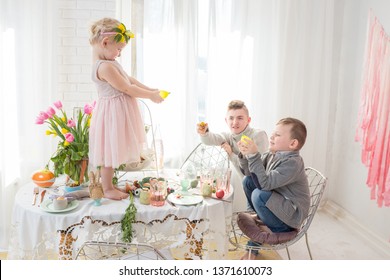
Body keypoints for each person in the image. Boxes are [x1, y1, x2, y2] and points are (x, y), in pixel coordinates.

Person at [88, 18, 164, 200]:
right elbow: (126, 88)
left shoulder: (110, 62)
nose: (119, 54)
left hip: (117, 112)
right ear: (105, 43)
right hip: (111, 115)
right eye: (119, 49)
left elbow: (129, 80)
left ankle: (110, 185)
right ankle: (106, 188)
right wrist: (150, 96)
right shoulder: (104, 66)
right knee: (108, 151)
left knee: (114, 148)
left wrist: (150, 89)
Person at [237, 117, 310, 260]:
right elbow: (250, 174)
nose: (271, 136)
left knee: (259, 194)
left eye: (277, 135)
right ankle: (260, 222)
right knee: (248, 181)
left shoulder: (292, 163)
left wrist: (253, 155)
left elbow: (264, 185)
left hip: (289, 217)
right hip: (277, 206)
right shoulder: (273, 155)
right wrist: (245, 155)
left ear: (293, 143)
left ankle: (272, 229)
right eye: (273, 133)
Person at [197, 100, 268, 175]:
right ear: (226, 120)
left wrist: (231, 155)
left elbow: (256, 171)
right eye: (231, 118)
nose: (235, 122)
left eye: (240, 118)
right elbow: (210, 140)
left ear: (248, 120)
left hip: (259, 185)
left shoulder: (259, 135)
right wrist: (204, 133)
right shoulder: (229, 136)